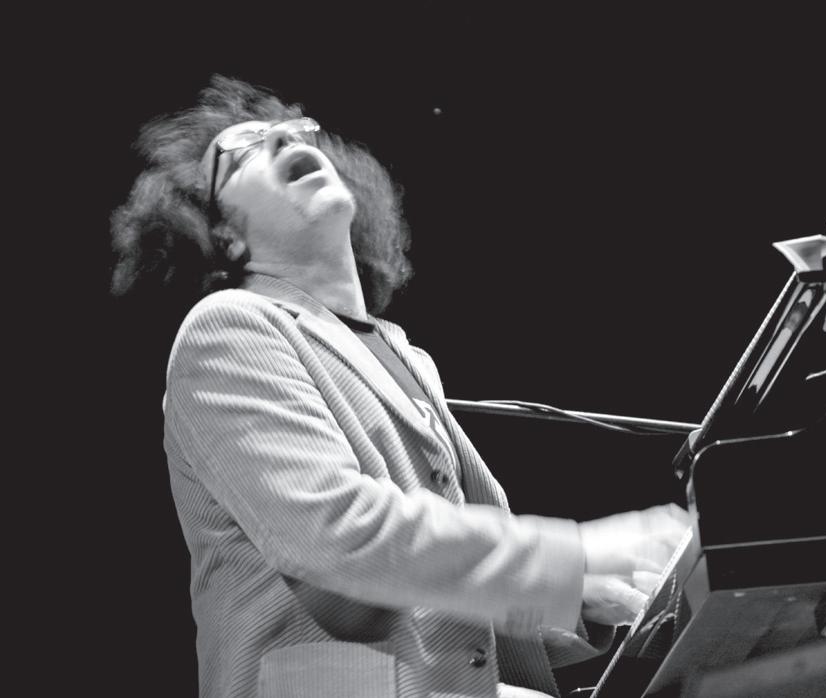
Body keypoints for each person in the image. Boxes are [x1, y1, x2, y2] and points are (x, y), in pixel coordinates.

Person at [110, 75, 691, 698]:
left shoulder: (406, 357)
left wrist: (579, 598)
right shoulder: (228, 327)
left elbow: (438, 616)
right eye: (245, 147)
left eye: (297, 130)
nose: (284, 137)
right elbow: (336, 536)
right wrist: (575, 557)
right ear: (221, 232)